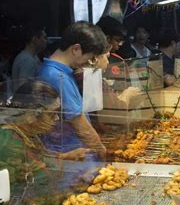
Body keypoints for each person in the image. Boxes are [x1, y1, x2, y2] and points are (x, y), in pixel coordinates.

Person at [39, 21, 108, 159]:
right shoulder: (57, 77)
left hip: (75, 153)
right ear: (76, 49)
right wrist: (101, 151)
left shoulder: (60, 72)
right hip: (72, 156)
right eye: (91, 56)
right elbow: (80, 124)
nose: (89, 62)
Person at [11, 25, 47, 91]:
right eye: (44, 38)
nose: (46, 41)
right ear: (34, 39)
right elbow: (25, 89)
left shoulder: (33, 57)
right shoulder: (27, 61)